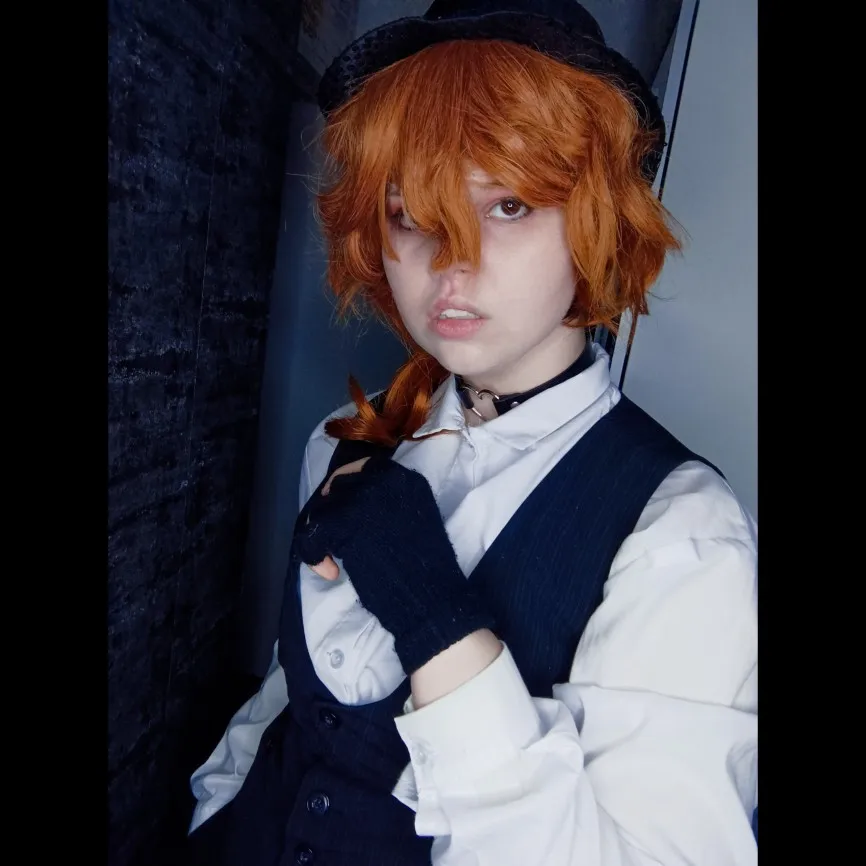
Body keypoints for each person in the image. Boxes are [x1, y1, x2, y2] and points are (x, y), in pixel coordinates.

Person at [185, 2, 758, 864]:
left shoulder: (680, 535)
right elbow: (287, 696)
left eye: (509, 205)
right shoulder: (346, 439)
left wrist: (431, 610)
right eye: (409, 213)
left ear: (595, 221)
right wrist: (216, 809)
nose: (451, 261)